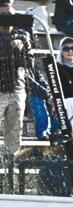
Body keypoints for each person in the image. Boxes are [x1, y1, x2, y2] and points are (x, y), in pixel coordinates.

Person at [0, 3, 32, 156]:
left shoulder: (22, 36)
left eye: (10, 16)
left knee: (14, 133)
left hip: (17, 90)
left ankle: (10, 164)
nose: (7, 19)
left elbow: (30, 64)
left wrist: (20, 51)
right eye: (3, 15)